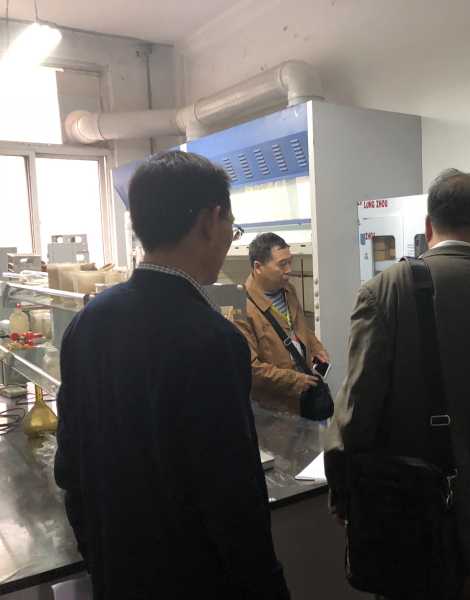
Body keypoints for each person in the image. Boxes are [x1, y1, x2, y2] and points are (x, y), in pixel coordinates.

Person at [54, 151, 291, 600]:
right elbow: (233, 504)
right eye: (231, 225)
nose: (229, 237)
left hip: (118, 578)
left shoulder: (87, 323)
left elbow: (70, 471)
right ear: (209, 221)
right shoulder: (213, 340)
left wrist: (102, 564)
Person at [325, 168, 470, 600]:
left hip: (409, 515)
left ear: (428, 226)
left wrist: (344, 492)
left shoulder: (384, 291)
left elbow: (356, 409)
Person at [232, 232, 328, 415]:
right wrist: (294, 380)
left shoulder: (288, 289)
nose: (289, 270)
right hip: (273, 410)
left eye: (290, 262)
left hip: (303, 397)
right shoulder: (240, 307)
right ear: (258, 267)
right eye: (282, 264)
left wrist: (315, 347)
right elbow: (249, 367)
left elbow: (297, 327)